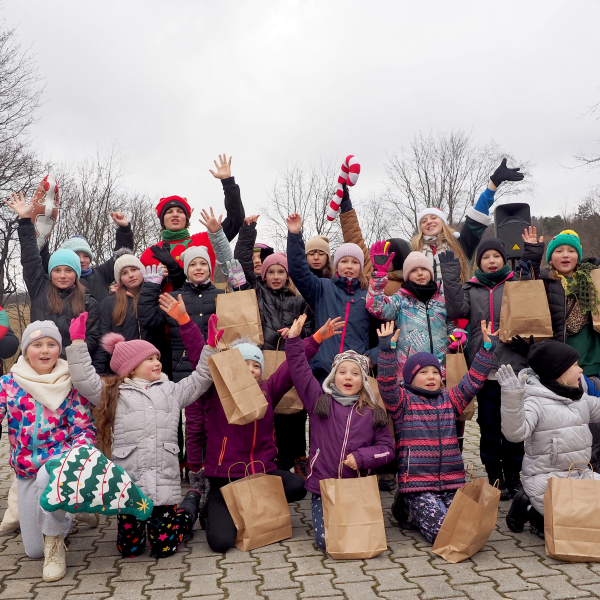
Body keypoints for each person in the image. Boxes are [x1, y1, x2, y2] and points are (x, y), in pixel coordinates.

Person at [181, 316, 344, 553]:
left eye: (256, 365)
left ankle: (252, 506)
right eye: (244, 364)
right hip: (225, 478)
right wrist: (186, 322)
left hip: (261, 473)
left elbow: (290, 367)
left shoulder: (268, 389)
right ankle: (212, 508)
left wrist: (316, 339)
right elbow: (199, 358)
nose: (251, 370)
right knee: (221, 543)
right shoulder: (215, 391)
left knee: (299, 486)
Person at [66, 307, 216, 558]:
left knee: (164, 547)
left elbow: (201, 379)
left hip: (163, 486)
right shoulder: (114, 394)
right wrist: (78, 343)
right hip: (130, 487)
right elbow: (84, 379)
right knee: (130, 550)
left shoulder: (172, 391)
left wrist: (210, 348)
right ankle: (138, 534)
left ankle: (188, 508)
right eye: (150, 359)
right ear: (130, 368)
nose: (157, 362)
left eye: (157, 358)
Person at [439, 232, 545, 499]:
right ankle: (495, 476)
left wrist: (532, 251)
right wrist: (450, 272)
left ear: (504, 258)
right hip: (484, 370)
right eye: (486, 257)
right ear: (479, 263)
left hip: (514, 368)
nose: (492, 261)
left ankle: (513, 476)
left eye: (496, 256)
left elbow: (530, 279)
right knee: (489, 427)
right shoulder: (471, 289)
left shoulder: (514, 283)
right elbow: (455, 309)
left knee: (513, 428)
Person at [377, 320, 497, 544]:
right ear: (410, 378)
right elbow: (386, 384)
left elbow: (474, 380)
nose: (432, 377)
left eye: (435, 372)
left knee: (467, 526)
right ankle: (407, 504)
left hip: (452, 482)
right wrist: (387, 352)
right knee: (443, 534)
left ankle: (406, 507)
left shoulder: (450, 400)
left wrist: (487, 349)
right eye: (424, 372)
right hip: (418, 484)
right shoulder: (402, 402)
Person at [284, 315, 395, 550]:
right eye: (342, 372)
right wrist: (294, 341)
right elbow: (301, 373)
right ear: (334, 377)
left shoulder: (373, 412)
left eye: (355, 374)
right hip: (323, 488)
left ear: (363, 381)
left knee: (359, 539)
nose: (348, 377)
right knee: (327, 542)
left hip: (356, 487)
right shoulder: (319, 402)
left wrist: (363, 458)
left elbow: (387, 450)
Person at [0, 321, 96, 581]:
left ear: (59, 349)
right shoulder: (8, 384)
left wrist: (79, 457)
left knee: (47, 477)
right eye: (37, 345)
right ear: (25, 350)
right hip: (25, 470)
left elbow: (84, 428)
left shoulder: (71, 384)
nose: (44, 351)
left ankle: (56, 547)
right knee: (32, 551)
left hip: (58, 463)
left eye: (51, 345)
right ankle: (72, 509)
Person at [233, 215, 314, 472]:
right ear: (264, 275)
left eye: (281, 271)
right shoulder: (256, 292)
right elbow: (242, 262)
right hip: (263, 359)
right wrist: (247, 230)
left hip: (291, 360)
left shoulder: (298, 300)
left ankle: (298, 461)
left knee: (294, 413)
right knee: (270, 414)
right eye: (271, 272)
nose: (276, 276)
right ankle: (272, 463)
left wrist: (295, 331)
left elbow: (309, 326)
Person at [498, 340, 600, 537]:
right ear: (559, 372)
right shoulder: (535, 402)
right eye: (575, 366)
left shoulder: (579, 398)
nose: (581, 370)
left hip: (579, 474)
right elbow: (515, 433)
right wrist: (512, 399)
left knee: (591, 518)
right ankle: (528, 509)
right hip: (544, 480)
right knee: (570, 529)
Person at [286, 213, 380, 383]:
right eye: (344, 261)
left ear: (361, 266)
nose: (349, 266)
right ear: (336, 265)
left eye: (355, 262)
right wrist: (294, 235)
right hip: (322, 372)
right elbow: (298, 272)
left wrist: (371, 358)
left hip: (355, 375)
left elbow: (387, 333)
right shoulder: (322, 288)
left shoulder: (370, 296)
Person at [6, 192, 100, 356]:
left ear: (76, 274)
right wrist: (25, 220)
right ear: (51, 272)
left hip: (69, 366)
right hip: (35, 362)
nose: (62, 275)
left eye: (69, 270)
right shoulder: (40, 288)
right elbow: (30, 259)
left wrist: (59, 355)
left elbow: (92, 339)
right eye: (57, 270)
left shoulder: (88, 301)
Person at [140, 154, 245, 291]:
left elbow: (235, 220)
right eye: (169, 212)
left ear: (187, 219)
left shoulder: (205, 239)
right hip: (166, 310)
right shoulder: (150, 253)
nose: (175, 214)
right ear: (162, 220)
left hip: (205, 308)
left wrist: (228, 183)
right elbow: (138, 290)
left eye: (180, 211)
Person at [412, 158, 525, 284]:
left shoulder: (460, 244)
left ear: (443, 223)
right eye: (424, 221)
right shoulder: (414, 249)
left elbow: (475, 220)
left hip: (457, 300)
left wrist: (493, 184)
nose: (429, 222)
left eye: (434, 218)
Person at [367, 245, 465, 380]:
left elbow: (451, 326)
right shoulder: (400, 299)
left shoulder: (442, 299)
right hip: (409, 372)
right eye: (414, 270)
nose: (420, 273)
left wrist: (457, 335)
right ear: (407, 275)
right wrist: (378, 277)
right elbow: (376, 307)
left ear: (430, 272)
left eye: (424, 269)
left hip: (440, 372)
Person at [58, 211, 134, 303]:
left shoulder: (101, 274)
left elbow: (121, 256)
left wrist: (124, 229)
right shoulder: (59, 279)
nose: (82, 260)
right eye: (76, 256)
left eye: (86, 256)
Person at [92, 253, 149, 373]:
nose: (131, 275)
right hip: (121, 368)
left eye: (134, 269)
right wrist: (99, 372)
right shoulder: (109, 302)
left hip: (150, 364)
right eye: (124, 273)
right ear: (120, 279)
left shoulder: (152, 297)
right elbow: (104, 337)